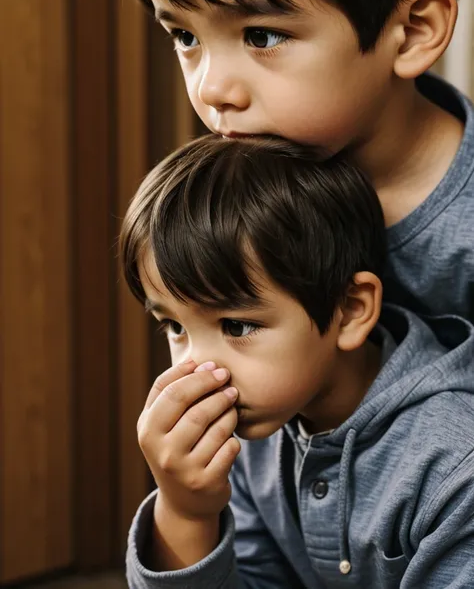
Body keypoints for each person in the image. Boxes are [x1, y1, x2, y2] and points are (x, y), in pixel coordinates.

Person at [105, 0, 474, 322]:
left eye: (260, 36)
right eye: (185, 36)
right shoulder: (242, 186)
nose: (210, 89)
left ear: (414, 32)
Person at [120, 134, 474, 588]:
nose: (201, 371)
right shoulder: (252, 435)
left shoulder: (453, 464)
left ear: (350, 310)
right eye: (175, 327)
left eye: (237, 326)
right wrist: (185, 511)